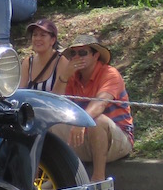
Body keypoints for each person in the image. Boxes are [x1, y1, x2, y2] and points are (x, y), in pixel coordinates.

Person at [56, 34, 133, 182]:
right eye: (73, 53)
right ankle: (58, 175)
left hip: (118, 139)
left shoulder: (110, 74)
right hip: (85, 137)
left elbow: (100, 103)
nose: (77, 57)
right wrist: (64, 76)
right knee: (51, 123)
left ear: (95, 55)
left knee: (97, 121)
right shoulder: (72, 77)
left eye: (83, 53)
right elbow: (56, 104)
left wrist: (81, 121)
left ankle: (98, 177)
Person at [19, 18, 69, 93]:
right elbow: (21, 93)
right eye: (35, 35)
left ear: (52, 40)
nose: (38, 38)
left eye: (43, 35)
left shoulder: (61, 62)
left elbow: (59, 95)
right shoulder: (28, 63)